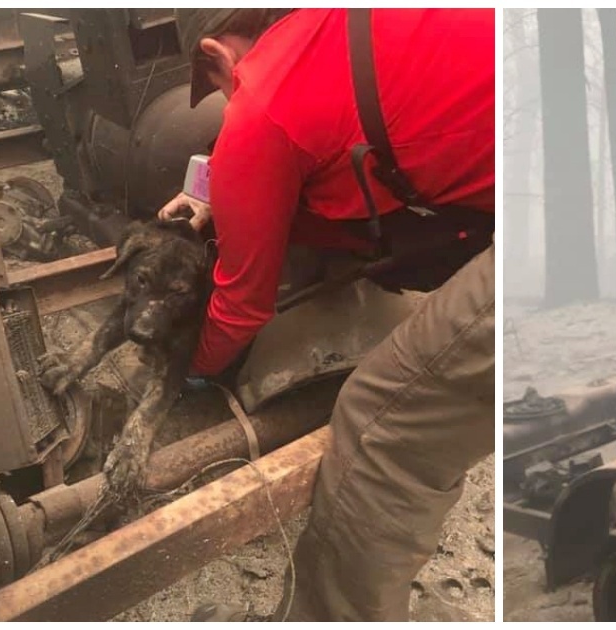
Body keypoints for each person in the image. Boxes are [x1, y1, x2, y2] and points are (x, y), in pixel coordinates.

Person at [162, 9, 496, 621]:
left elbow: (240, 308)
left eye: (215, 84)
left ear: (214, 53)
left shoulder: (263, 102)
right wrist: (221, 186)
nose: (225, 99)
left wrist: (192, 371)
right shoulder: (335, 25)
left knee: (381, 423)